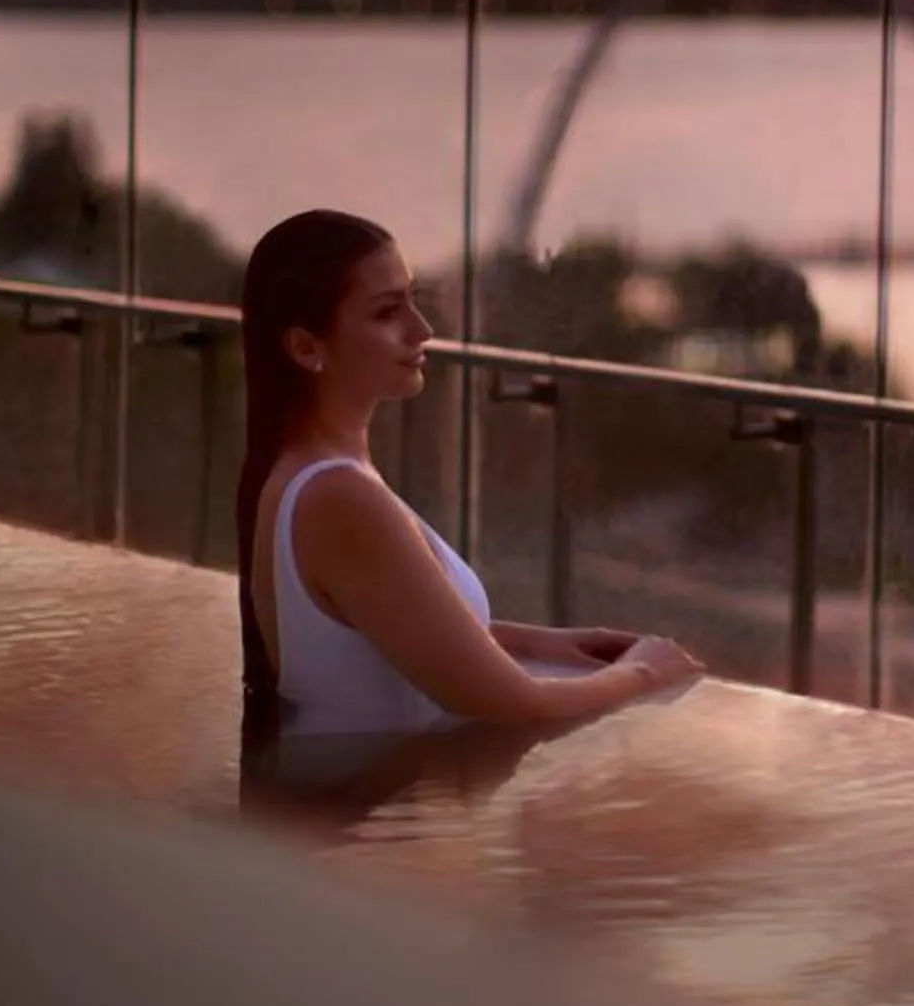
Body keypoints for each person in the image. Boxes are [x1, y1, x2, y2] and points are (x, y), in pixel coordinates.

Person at [234, 209, 700, 741]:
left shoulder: (313, 471)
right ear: (305, 347)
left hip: (359, 803)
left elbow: (386, 632)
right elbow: (513, 702)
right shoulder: (337, 497)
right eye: (388, 313)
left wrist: (535, 644)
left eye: (413, 299)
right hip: (358, 813)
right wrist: (644, 673)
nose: (423, 329)